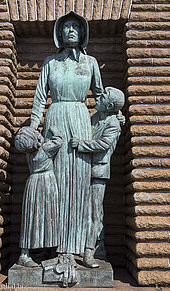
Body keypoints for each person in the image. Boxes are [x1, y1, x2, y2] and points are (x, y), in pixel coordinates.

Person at [29, 11, 104, 260]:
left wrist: (113, 117)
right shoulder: (51, 63)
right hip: (56, 120)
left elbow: (101, 98)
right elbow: (40, 98)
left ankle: (77, 247)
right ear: (59, 33)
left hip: (81, 120)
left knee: (80, 185)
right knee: (56, 185)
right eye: (66, 27)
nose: (71, 30)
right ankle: (56, 246)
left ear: (82, 33)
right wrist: (32, 128)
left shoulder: (90, 63)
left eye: (75, 27)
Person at [70, 87, 125, 267]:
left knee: (94, 213)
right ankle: (92, 248)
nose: (99, 96)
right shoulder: (95, 117)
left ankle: (89, 252)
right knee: (84, 211)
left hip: (98, 172)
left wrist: (80, 144)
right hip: (83, 168)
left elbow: (102, 144)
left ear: (109, 105)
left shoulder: (113, 124)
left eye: (104, 95)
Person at [15, 126, 63, 267]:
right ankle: (25, 255)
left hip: (33, 184)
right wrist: (54, 130)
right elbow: (59, 141)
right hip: (46, 183)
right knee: (47, 217)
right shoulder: (44, 149)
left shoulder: (29, 153)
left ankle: (39, 250)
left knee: (32, 218)